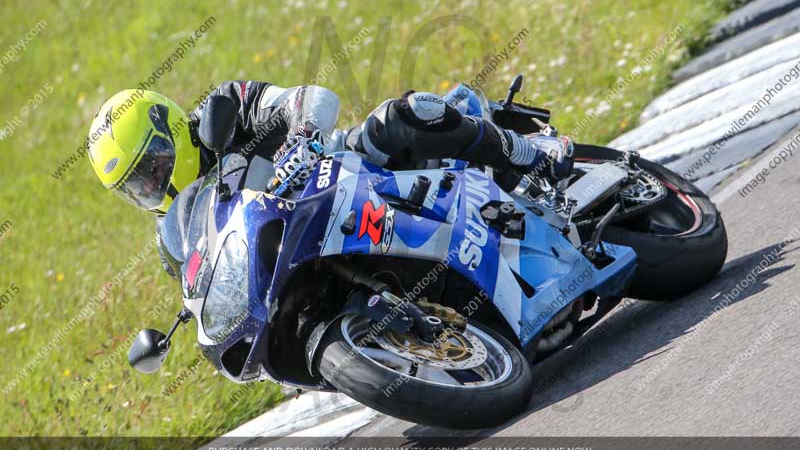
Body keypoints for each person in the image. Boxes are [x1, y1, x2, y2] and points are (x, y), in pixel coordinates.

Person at [87, 81, 574, 275]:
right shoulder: (174, 239)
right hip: (312, 252)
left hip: (352, 175)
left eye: (154, 164)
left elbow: (311, 98)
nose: (155, 185)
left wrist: (303, 137)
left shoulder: (226, 108)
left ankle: (529, 154)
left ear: (169, 127)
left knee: (399, 117)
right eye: (138, 186)